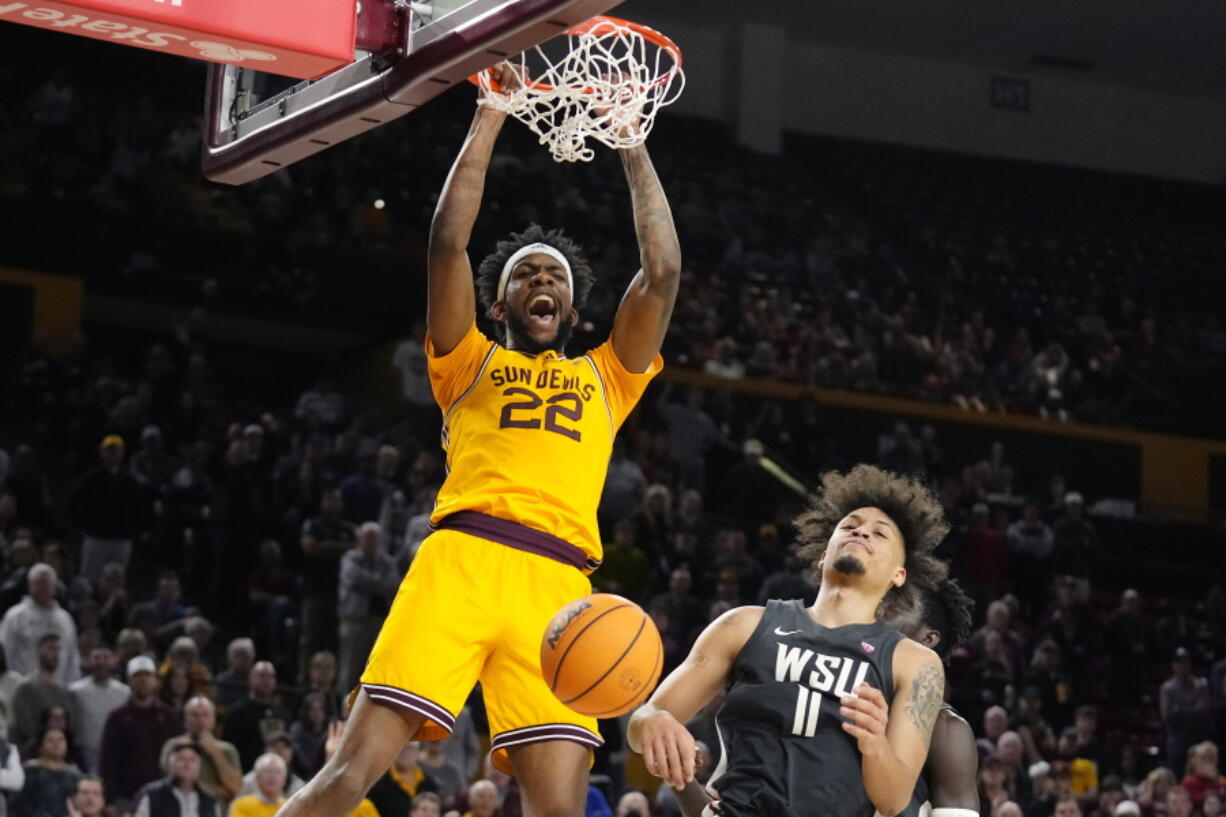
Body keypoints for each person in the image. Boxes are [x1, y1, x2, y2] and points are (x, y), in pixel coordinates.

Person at [278, 60, 680, 817]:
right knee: (345, 777)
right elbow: (446, 243)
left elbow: (661, 275)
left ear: (571, 305)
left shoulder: (607, 376)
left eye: (555, 277)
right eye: (527, 273)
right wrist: (492, 110)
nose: (543, 282)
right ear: (501, 301)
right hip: (462, 560)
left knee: (561, 810)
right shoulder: (467, 361)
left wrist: (630, 142)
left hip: (559, 592)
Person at [629, 464, 950, 817]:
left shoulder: (914, 663)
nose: (861, 533)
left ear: (898, 574)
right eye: (850, 525)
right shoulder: (744, 624)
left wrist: (874, 743)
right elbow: (647, 716)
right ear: (824, 554)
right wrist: (651, 721)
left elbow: (893, 801)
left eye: (880, 533)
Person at [881, 578, 981, 817]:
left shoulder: (944, 729)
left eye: (895, 606)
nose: (879, 611)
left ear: (927, 639)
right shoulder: (831, 692)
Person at [98, 655, 182, 812]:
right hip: (125, 798)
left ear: (156, 680)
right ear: (129, 680)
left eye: (148, 675)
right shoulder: (117, 718)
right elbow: (107, 761)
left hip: (163, 797)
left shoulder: (169, 716)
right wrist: (109, 799)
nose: (143, 680)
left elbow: (178, 754)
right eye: (137, 675)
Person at [0, 563, 81, 684]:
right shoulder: (15, 616)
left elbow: (72, 655)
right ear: (29, 586)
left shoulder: (65, 619)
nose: (42, 587)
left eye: (45, 582)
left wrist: (72, 686)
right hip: (22, 687)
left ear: (54, 587)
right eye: (37, 583)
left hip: (58, 688)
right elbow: (5, 652)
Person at [160, 697, 242, 802]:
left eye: (206, 715)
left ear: (214, 720)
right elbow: (174, 784)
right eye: (195, 715)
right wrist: (220, 791)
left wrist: (215, 753)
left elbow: (236, 789)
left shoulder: (227, 750)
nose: (201, 721)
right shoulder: (174, 746)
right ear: (185, 720)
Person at [69, 646, 130, 773]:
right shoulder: (75, 691)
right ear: (89, 660)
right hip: (84, 757)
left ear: (114, 660)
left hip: (116, 756)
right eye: (97, 658)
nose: (101, 662)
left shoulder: (124, 692)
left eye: (106, 658)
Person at [222, 662, 292, 770]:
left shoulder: (283, 714)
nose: (267, 681)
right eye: (262, 676)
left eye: (271, 677)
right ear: (250, 679)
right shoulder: (236, 714)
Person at [9, 633, 74, 747]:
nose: (55, 654)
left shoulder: (65, 692)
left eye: (58, 649)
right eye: (51, 648)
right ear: (39, 650)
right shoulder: (25, 689)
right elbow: (24, 727)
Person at [11, 726, 82, 817]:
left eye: (61, 740)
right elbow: (17, 807)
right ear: (40, 746)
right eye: (50, 740)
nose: (56, 744)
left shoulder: (75, 775)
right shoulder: (28, 772)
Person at [133, 742, 219, 817]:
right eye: (181, 758)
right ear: (169, 764)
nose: (187, 764)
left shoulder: (209, 800)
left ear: (200, 766)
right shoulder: (152, 795)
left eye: (193, 759)